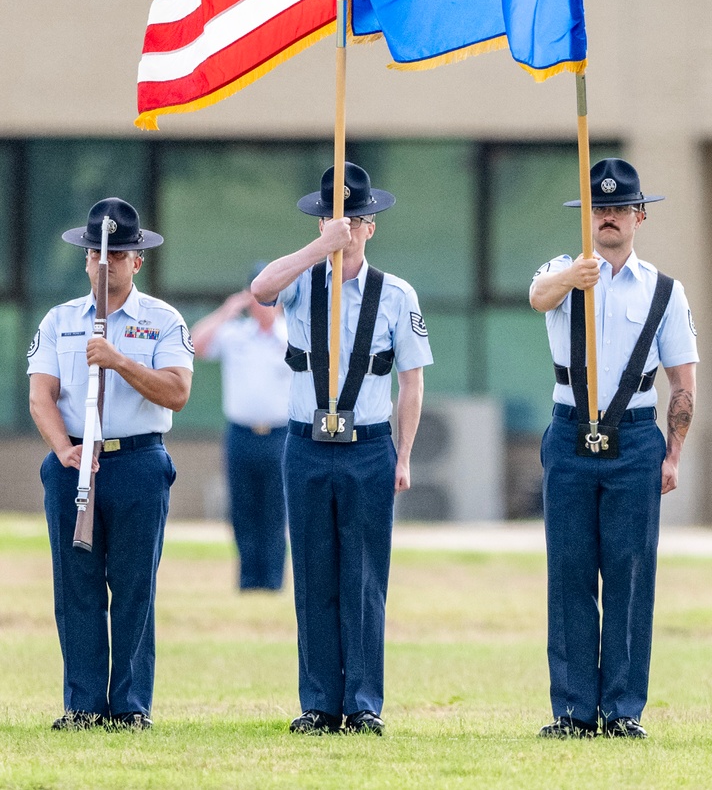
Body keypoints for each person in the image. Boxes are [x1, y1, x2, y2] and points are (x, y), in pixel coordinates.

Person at [251, 161, 430, 737]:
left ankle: (363, 703)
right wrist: (314, 249)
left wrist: (404, 456)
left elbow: (411, 381)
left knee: (364, 577)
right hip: (305, 444)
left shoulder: (397, 295)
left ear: (370, 226)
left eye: (355, 218)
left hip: (368, 446)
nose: (346, 227)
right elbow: (260, 289)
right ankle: (318, 703)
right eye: (335, 216)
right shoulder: (304, 281)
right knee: (313, 576)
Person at [529, 158, 698, 739]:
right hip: (571, 431)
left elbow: (683, 381)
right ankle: (574, 710)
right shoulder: (563, 269)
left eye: (619, 209)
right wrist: (572, 279)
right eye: (598, 209)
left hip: (634, 438)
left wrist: (672, 454)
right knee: (569, 572)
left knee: (630, 573)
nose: (608, 218)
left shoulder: (664, 291)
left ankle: (623, 710)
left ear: (638, 216)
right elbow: (536, 298)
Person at [27, 197, 193, 731]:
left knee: (132, 586)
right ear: (85, 260)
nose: (107, 263)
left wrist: (119, 360)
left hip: (138, 463)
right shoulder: (60, 321)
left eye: (119, 255)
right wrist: (62, 449)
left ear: (136, 261)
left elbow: (177, 392)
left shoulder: (161, 320)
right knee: (75, 586)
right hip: (74, 460)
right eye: (99, 255)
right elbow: (41, 396)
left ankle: (129, 706)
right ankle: (82, 706)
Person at [191, 274, 291, 591]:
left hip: (280, 435)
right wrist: (227, 311)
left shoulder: (290, 336)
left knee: (276, 511)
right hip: (241, 433)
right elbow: (194, 345)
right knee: (242, 509)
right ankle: (248, 580)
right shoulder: (235, 335)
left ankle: (273, 580)